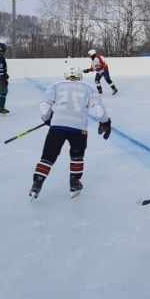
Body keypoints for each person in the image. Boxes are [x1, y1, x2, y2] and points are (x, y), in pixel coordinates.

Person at [29, 66, 112, 199]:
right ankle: (74, 182)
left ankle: (37, 184)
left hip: (57, 127)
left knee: (48, 157)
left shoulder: (56, 86)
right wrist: (105, 122)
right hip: (78, 128)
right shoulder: (88, 87)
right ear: (79, 76)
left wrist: (47, 118)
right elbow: (99, 109)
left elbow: (45, 105)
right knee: (77, 156)